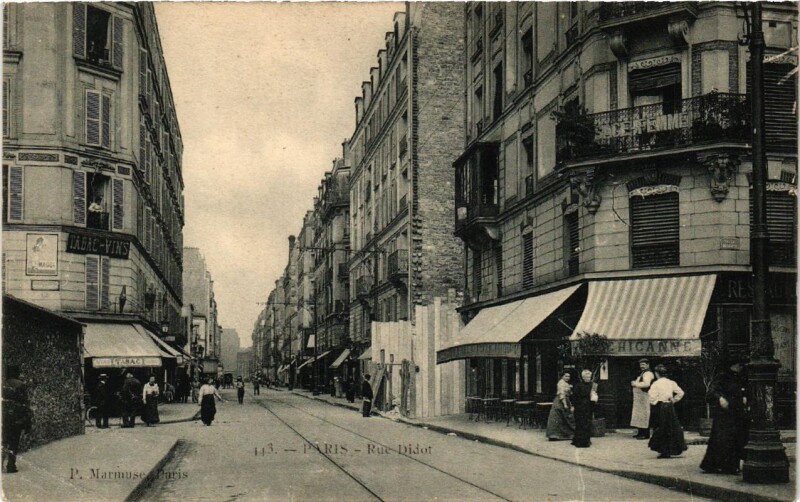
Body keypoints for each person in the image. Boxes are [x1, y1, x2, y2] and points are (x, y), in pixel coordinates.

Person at [700, 357, 749, 474]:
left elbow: (744, 390)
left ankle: (731, 465)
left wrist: (745, 397)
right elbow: (711, 393)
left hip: (737, 412)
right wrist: (720, 398)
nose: (741, 367)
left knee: (735, 439)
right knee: (723, 439)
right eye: (739, 365)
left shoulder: (742, 377)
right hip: (724, 414)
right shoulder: (723, 376)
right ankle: (722, 465)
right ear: (733, 365)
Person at [648, 364, 687, 458]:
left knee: (661, 427)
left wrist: (655, 402)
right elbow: (681, 393)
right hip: (670, 406)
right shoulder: (671, 382)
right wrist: (674, 400)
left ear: (657, 374)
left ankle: (664, 451)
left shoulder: (656, 384)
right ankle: (672, 449)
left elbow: (652, 397)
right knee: (671, 427)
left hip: (661, 406)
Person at [3, 366, 32, 473]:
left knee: (3, 440)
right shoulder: (20, 384)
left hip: (4, 417)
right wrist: (27, 419)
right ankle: (11, 465)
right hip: (16, 418)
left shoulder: (3, 384)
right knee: (14, 441)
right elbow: (25, 403)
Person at [546, 372, 576, 440]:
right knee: (559, 416)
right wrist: (564, 404)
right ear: (562, 376)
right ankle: (555, 435)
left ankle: (565, 434)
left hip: (566, 400)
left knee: (565, 417)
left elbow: (569, 393)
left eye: (568, 376)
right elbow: (561, 394)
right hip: (561, 401)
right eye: (566, 376)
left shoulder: (566, 383)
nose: (567, 378)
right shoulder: (561, 383)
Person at [631, 358, 655, 439]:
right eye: (641, 365)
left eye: (643, 364)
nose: (642, 366)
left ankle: (645, 434)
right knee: (639, 415)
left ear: (648, 365)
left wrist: (635, 384)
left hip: (644, 397)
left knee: (644, 415)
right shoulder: (643, 373)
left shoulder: (648, 373)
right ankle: (640, 432)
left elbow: (646, 384)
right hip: (640, 397)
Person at [571, 369, 594, 448]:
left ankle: (586, 440)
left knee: (587, 423)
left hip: (589, 406)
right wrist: (574, 405)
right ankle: (580, 441)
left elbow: (595, 395)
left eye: (589, 377)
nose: (588, 378)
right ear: (583, 377)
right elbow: (574, 396)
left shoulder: (592, 385)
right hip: (580, 406)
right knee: (580, 423)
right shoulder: (578, 385)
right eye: (586, 377)